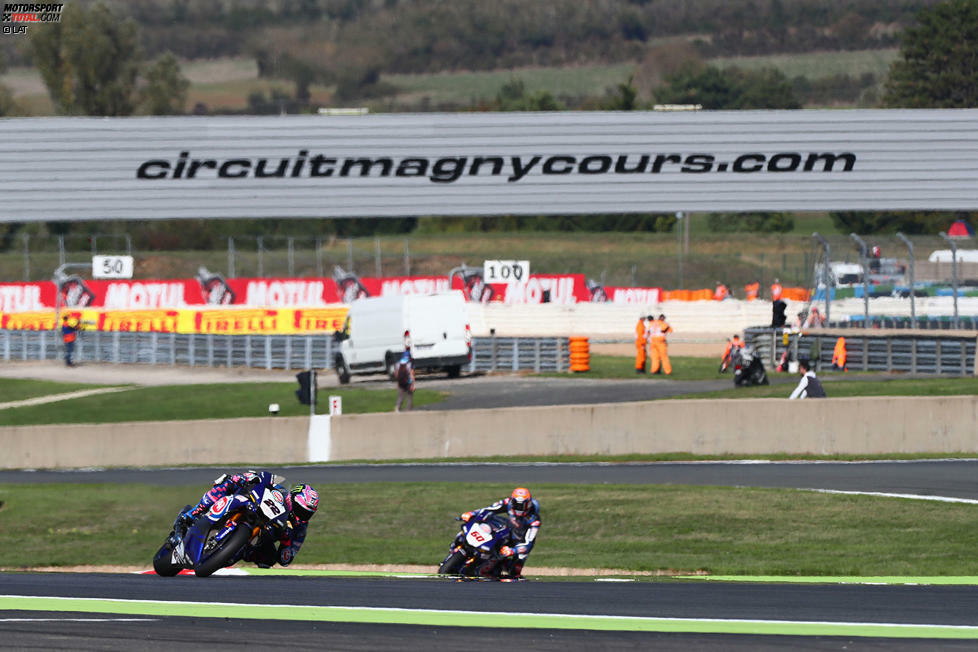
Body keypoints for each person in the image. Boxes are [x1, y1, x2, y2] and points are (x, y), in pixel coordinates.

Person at [170, 470, 319, 568]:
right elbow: (264, 477)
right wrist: (249, 477)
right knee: (228, 483)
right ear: (292, 499)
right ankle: (192, 514)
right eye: (300, 510)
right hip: (252, 505)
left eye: (307, 514)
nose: (301, 516)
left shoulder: (300, 529)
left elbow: (286, 559)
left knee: (270, 559)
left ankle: (233, 552)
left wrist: (286, 542)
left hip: (262, 533)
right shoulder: (282, 492)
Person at [460, 487, 541, 579]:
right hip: (508, 532)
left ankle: (489, 570)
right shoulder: (507, 502)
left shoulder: (534, 520)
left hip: (519, 541)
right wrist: (472, 513)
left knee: (515, 569)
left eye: (522, 505)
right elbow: (489, 509)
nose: (518, 507)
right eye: (516, 504)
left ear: (529, 504)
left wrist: (513, 550)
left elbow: (528, 543)